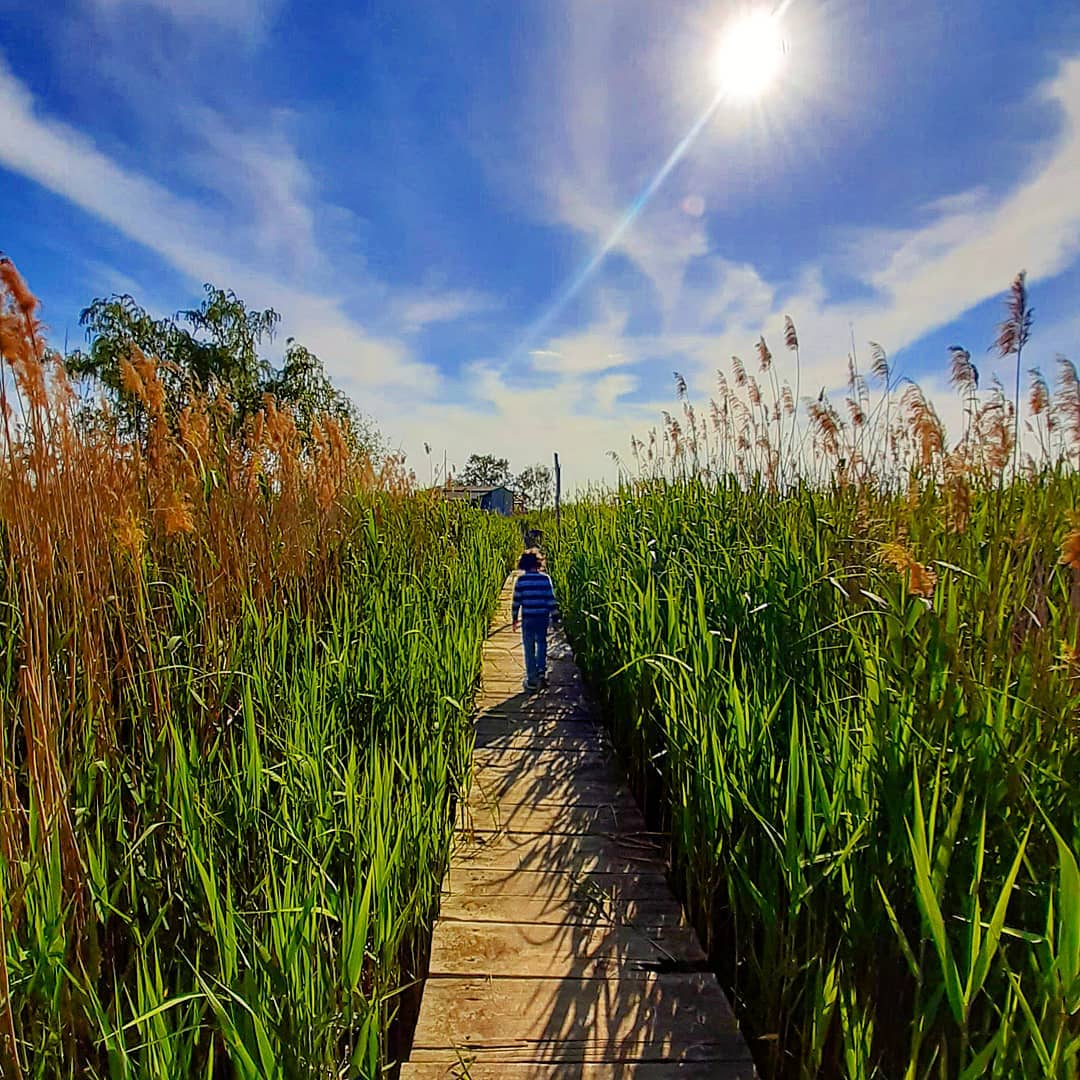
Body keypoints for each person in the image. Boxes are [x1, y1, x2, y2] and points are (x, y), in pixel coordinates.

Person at [511, 549, 559, 692]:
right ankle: (541, 673)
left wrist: (514, 618)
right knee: (542, 644)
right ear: (539, 563)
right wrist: (555, 616)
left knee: (529, 647)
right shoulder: (545, 579)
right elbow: (551, 600)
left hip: (528, 618)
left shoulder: (521, 580)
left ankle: (532, 679)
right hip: (542, 617)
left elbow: (516, 601)